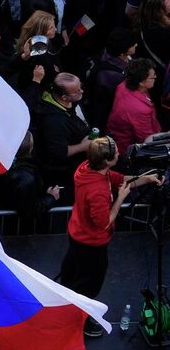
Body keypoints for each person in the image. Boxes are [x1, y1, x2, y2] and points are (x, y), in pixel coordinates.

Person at [60, 136, 155, 336]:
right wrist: (120, 198)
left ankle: (68, 309)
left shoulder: (87, 169)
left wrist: (147, 178)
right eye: (116, 154)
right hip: (91, 243)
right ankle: (80, 323)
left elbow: (119, 179)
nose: (120, 154)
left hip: (78, 235)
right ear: (107, 161)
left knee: (72, 276)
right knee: (88, 285)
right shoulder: (97, 191)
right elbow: (104, 222)